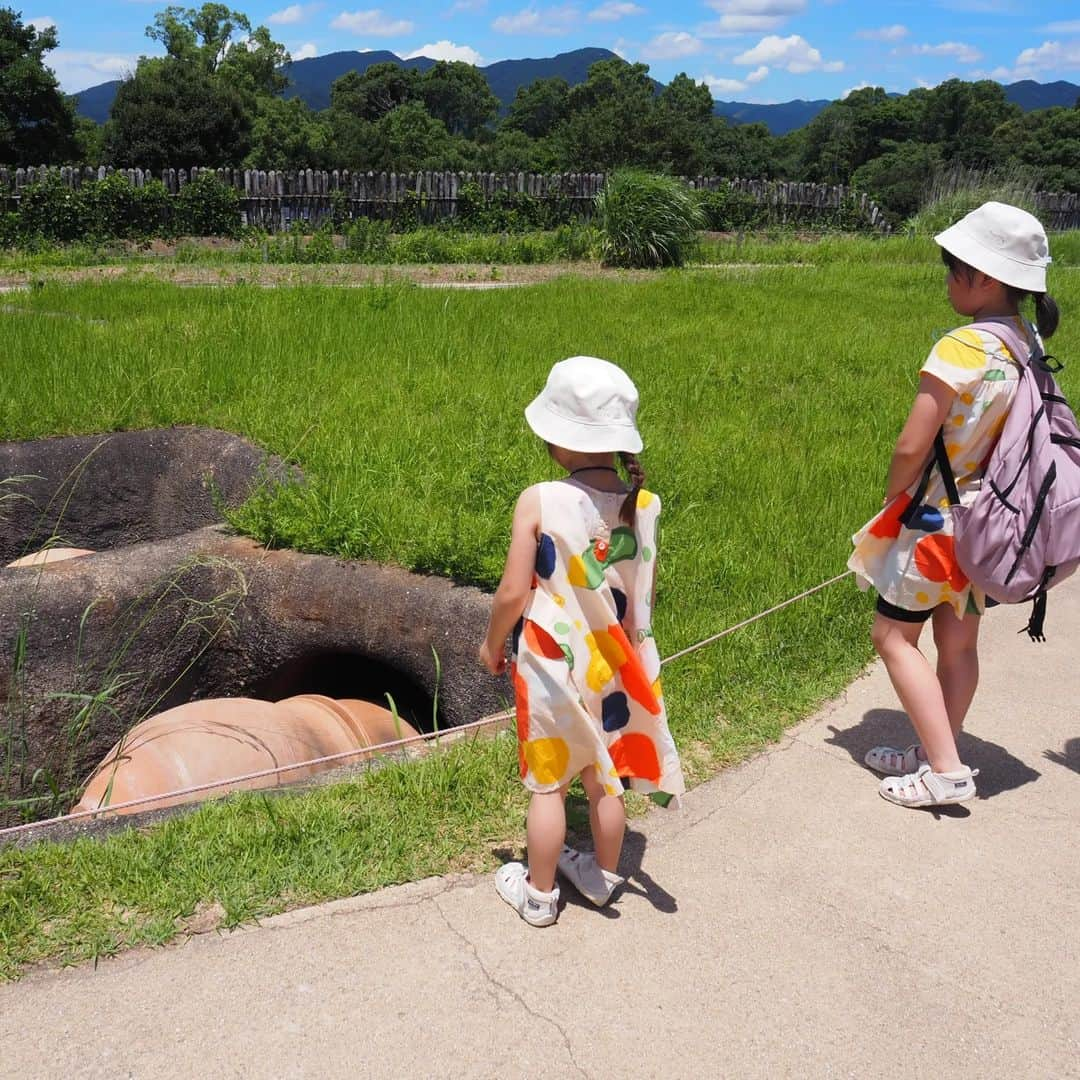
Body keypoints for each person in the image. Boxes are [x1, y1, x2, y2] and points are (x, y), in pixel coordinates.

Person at [849, 202, 1059, 808]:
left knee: (892, 637)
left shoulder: (961, 347)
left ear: (986, 278)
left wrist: (893, 495)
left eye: (954, 269)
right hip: (992, 525)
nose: (947, 280)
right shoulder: (1026, 342)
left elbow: (914, 442)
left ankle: (943, 770)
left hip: (937, 523)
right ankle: (941, 747)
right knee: (959, 643)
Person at [479, 355, 685, 926]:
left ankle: (539, 895)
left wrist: (492, 643)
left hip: (550, 662)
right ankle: (603, 876)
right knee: (604, 777)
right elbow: (641, 594)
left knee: (548, 785)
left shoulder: (540, 498)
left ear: (556, 438)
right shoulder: (643, 505)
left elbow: (512, 594)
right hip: (613, 665)